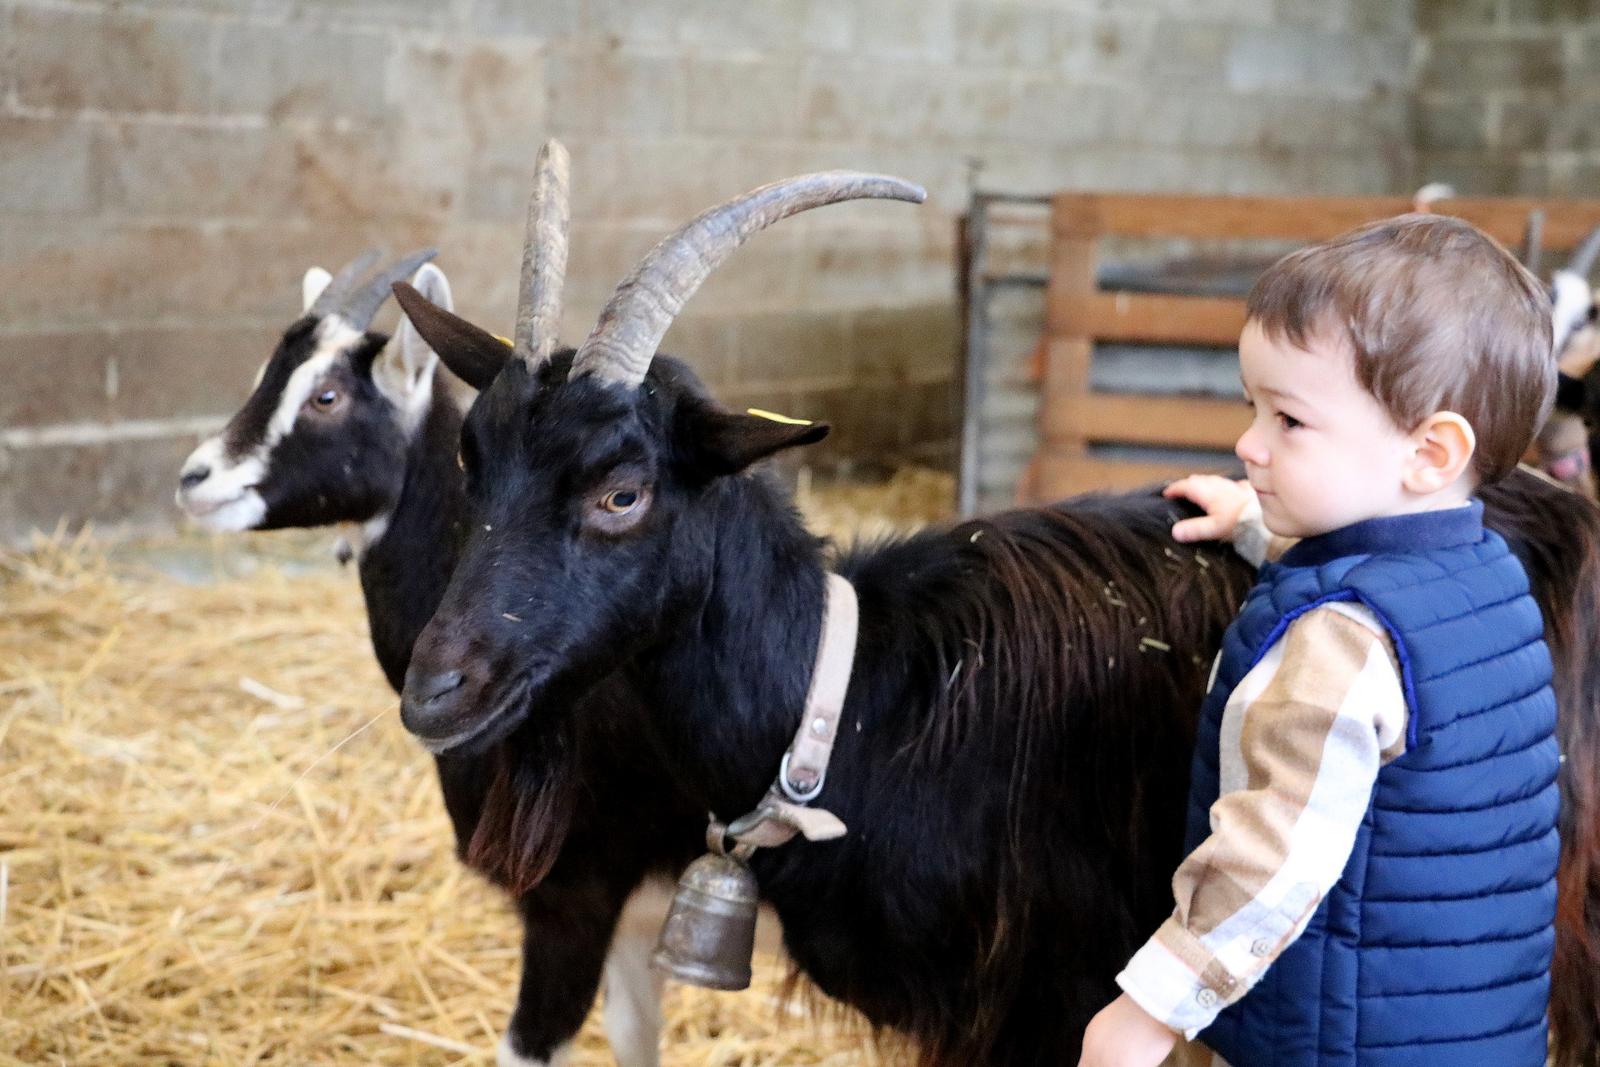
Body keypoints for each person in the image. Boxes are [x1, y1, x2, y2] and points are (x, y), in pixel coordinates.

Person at [1078, 214, 1561, 1067]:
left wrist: (1151, 1009)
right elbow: (1381, 557)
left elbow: (1273, 859)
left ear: (1430, 449)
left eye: (1289, 422)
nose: (1248, 443)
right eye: (1250, 406)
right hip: (1468, 1031)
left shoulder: (1339, 640)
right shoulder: (1484, 574)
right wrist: (1258, 522)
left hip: (1336, 1039)